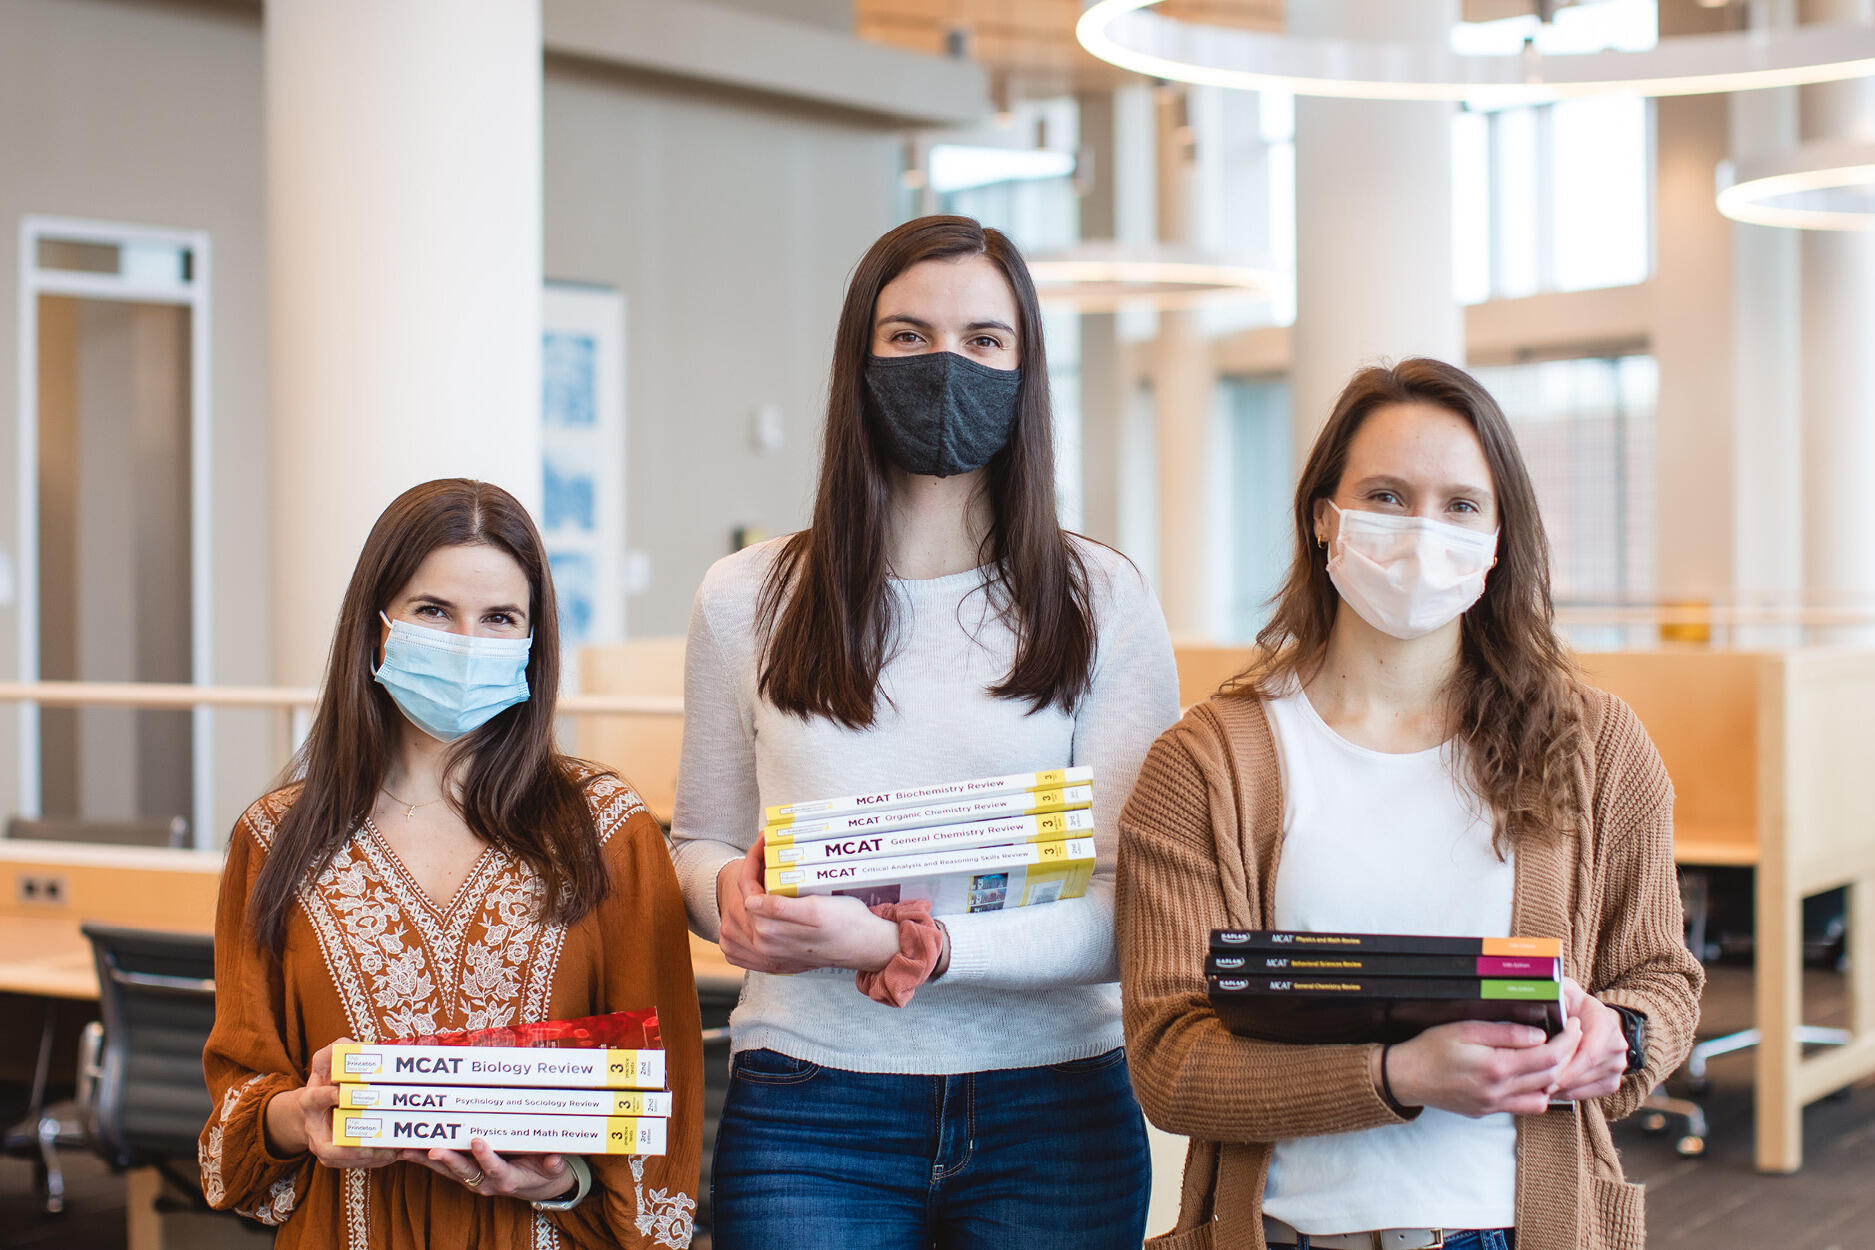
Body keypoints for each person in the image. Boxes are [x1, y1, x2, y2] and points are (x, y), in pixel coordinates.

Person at [669, 215, 1180, 1249]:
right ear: (858, 360)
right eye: (907, 336)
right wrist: (728, 896)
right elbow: (702, 838)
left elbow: (1135, 902)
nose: (945, 363)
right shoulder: (746, 598)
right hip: (814, 1097)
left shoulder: (1102, 599)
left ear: (1026, 369)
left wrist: (915, 945)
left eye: (985, 340)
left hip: (1053, 1105)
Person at [1117, 359, 1702, 1250]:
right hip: (1287, 1234)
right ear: (1324, 519)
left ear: (1499, 537)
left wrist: (1617, 1036)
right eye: (1385, 496)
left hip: (1520, 1231)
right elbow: (1170, 1062)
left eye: (1460, 505)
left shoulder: (1594, 746)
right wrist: (1396, 1074)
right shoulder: (1206, 764)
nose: (1422, 533)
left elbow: (1660, 977)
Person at [200, 479, 702, 1249]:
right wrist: (297, 1117)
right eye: (433, 611)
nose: (468, 642)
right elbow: (239, 1090)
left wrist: (564, 1178)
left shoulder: (604, 829)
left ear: (534, 644)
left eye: (500, 618)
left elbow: (659, 1094)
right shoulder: (276, 838)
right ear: (376, 629)